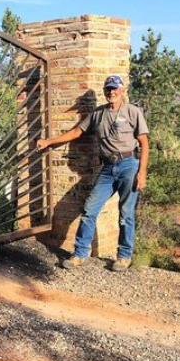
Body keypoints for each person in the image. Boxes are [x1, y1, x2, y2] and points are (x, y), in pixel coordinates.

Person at [36, 75, 149, 272]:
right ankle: (80, 254)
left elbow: (145, 143)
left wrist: (142, 173)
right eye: (108, 89)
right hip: (107, 168)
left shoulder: (133, 112)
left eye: (115, 88)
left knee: (126, 214)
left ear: (122, 91)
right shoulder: (98, 114)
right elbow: (76, 132)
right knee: (89, 210)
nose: (111, 92)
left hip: (129, 164)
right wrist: (49, 142)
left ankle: (124, 256)